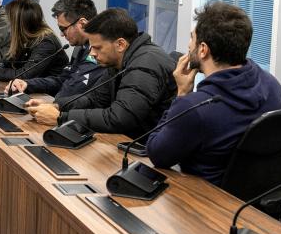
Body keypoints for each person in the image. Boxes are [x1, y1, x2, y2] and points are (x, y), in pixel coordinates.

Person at [146, 3, 281, 185]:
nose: (189, 45)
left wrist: (181, 93)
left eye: (191, 38)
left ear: (203, 50)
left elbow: (157, 154)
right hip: (255, 201)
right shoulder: (272, 85)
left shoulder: (193, 107)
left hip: (207, 203)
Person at [26, 8, 175, 137]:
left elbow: (120, 118)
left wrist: (61, 118)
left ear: (120, 44)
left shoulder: (145, 63)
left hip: (145, 150)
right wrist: (56, 105)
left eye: (97, 48)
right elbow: (95, 99)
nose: (92, 54)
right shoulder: (118, 59)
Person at [7, 0, 104, 99]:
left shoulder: (101, 51)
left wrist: (54, 106)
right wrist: (28, 84)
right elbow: (63, 80)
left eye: (63, 29)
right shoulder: (81, 46)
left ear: (82, 24)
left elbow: (74, 89)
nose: (61, 34)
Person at [0, 0, 67, 82]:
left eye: (9, 19)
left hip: (48, 95)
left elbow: (25, 75)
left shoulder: (46, 42)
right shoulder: (25, 36)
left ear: (19, 23)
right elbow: (11, 64)